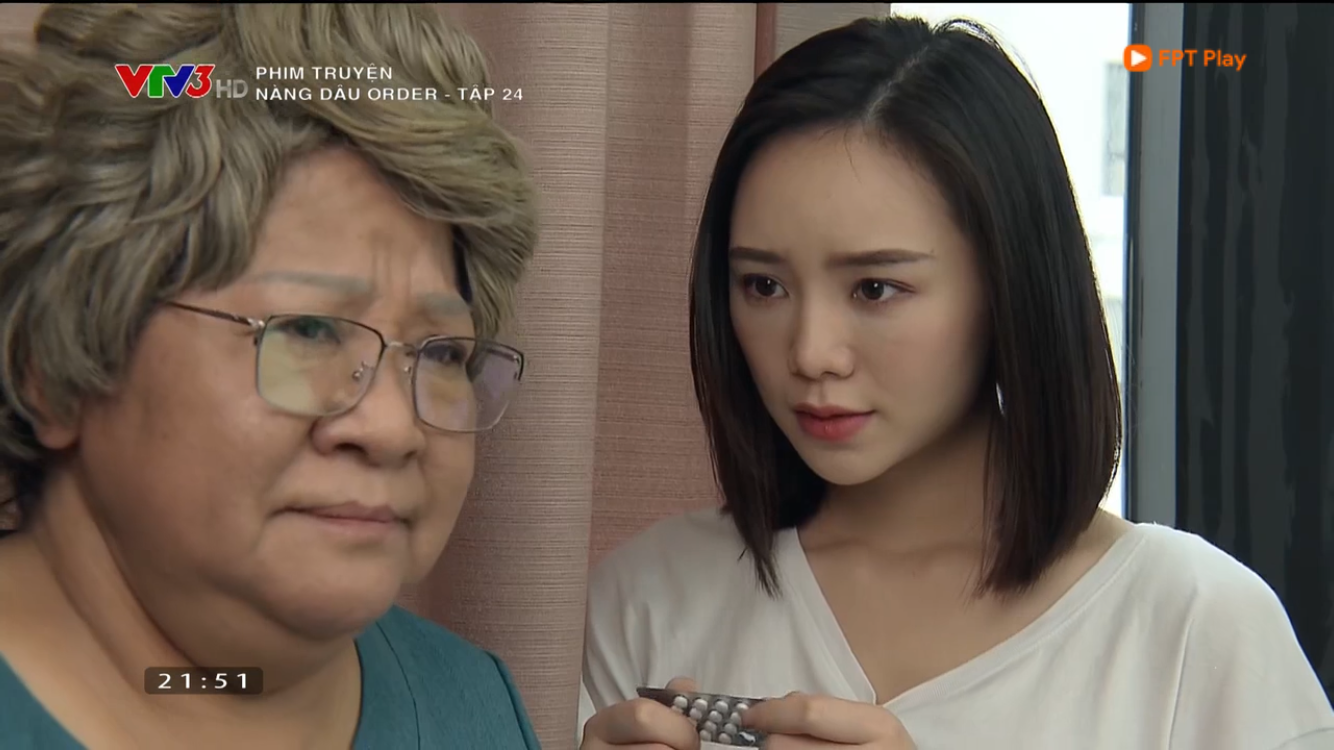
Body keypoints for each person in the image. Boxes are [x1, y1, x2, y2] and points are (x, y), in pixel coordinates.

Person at [578, 15, 1334, 750]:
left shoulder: (1195, 626)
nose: (811, 353)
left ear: (1009, 285)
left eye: (875, 289)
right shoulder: (649, 600)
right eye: (763, 286)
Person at [0, 4, 540, 749]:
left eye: (442, 353)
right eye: (307, 331)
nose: (393, 429)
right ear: (56, 365)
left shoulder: (474, 706)